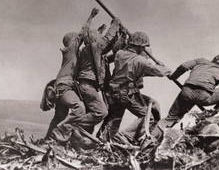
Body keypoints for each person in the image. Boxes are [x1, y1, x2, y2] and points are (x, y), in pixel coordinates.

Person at [51, 15, 121, 142]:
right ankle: (66, 128)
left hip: (80, 86)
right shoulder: (84, 49)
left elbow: (107, 47)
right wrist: (115, 24)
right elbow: (105, 40)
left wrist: (118, 35)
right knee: (98, 112)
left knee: (89, 112)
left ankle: (74, 136)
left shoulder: (89, 51)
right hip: (77, 86)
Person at [98, 31, 171, 145]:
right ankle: (125, 136)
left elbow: (137, 69)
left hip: (114, 92)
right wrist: (163, 66)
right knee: (148, 117)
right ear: (140, 46)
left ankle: (103, 140)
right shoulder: (140, 61)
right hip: (127, 93)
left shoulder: (120, 54)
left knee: (114, 118)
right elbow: (161, 72)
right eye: (144, 48)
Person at [44, 8, 99, 139]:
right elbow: (82, 33)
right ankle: (60, 132)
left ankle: (48, 140)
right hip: (64, 87)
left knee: (59, 116)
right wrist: (91, 16)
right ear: (72, 41)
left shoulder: (73, 54)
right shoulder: (70, 50)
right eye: (76, 40)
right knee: (79, 108)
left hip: (62, 87)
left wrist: (99, 31)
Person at [159, 54, 219, 128]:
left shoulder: (201, 61)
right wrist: (217, 108)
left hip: (186, 92)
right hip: (203, 96)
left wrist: (173, 76)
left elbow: (184, 66)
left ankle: (154, 136)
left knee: (171, 118)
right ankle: (216, 112)